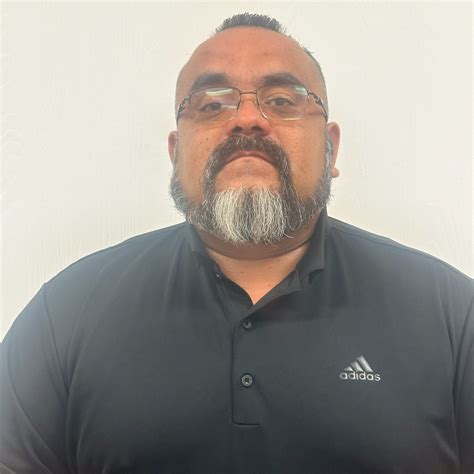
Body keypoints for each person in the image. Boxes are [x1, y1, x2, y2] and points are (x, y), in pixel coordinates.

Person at [1, 12, 472, 474]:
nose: (247, 118)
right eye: (211, 105)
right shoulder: (66, 314)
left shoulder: (451, 315)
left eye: (282, 101)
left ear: (331, 149)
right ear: (175, 154)